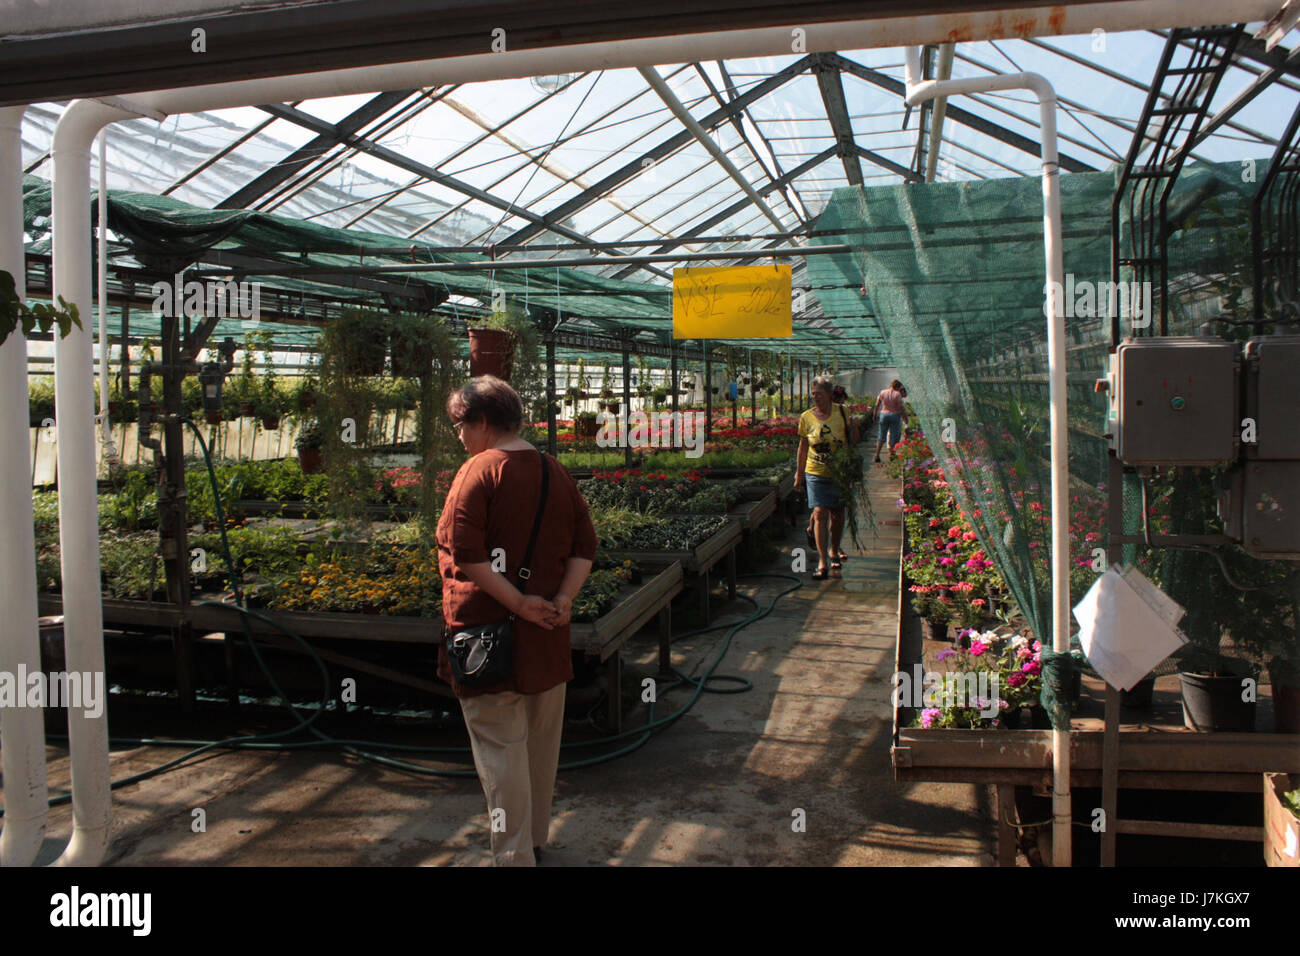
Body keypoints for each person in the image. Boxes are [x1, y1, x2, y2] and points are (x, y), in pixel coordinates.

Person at [437, 375, 596, 867]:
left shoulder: (478, 471)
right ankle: (534, 841)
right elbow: (584, 545)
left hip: (489, 641)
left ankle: (512, 855)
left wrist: (517, 602)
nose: (459, 436)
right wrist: (562, 599)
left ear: (483, 422)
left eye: (461, 425)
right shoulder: (553, 470)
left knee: (501, 752)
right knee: (539, 747)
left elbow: (467, 555)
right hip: (547, 636)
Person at [795, 375, 857, 579]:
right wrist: (799, 474)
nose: (815, 398)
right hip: (815, 472)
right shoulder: (806, 417)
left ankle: (834, 549)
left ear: (830, 394)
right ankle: (822, 560)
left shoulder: (843, 412)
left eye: (819, 394)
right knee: (820, 512)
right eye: (813, 394)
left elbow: (853, 441)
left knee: (837, 514)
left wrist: (854, 426)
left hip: (839, 472)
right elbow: (803, 447)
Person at [873, 378, 908, 463]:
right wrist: (905, 419)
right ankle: (891, 455)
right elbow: (900, 408)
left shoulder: (882, 392)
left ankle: (877, 455)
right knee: (894, 436)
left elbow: (877, 405)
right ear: (898, 387)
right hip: (894, 415)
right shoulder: (897, 395)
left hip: (883, 415)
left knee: (881, 436)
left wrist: (874, 415)